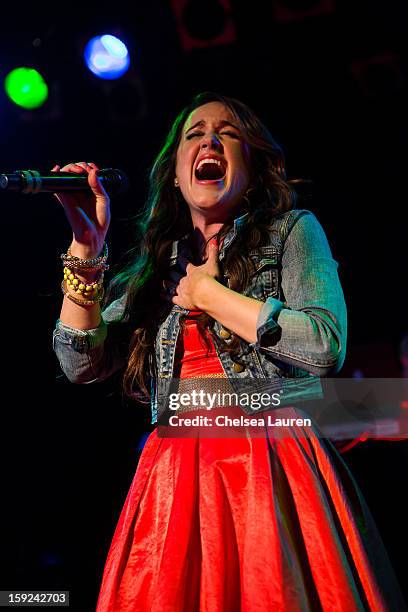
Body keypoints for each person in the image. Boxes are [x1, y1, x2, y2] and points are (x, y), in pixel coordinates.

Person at [52, 92, 406, 611]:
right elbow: (78, 362)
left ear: (253, 168)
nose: (209, 141)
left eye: (228, 133)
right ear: (175, 174)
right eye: (194, 134)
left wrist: (212, 297)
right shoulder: (152, 271)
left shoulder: (292, 231)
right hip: (176, 472)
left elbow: (325, 344)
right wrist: (86, 247)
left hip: (268, 457)